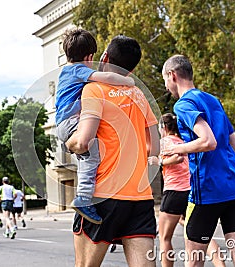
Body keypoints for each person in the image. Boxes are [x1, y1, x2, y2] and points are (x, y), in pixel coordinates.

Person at [65, 35, 160, 267]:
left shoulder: (94, 90)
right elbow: (154, 146)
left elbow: (83, 142)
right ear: (132, 67)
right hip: (139, 196)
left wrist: (70, 143)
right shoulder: (139, 95)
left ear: (105, 57)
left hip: (102, 195)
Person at [161, 55, 235, 266]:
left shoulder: (183, 104)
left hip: (207, 190)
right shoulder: (213, 101)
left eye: (165, 81)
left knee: (194, 260)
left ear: (172, 75)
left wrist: (176, 148)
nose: (167, 87)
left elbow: (208, 141)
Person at [56, 28, 135, 225]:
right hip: (71, 123)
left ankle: (86, 194)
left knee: (87, 158)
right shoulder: (79, 70)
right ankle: (83, 198)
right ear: (90, 56)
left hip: (64, 124)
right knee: (92, 156)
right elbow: (106, 78)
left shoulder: (66, 71)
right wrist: (127, 81)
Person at [149, 113, 225, 267]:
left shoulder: (165, 142)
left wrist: (160, 161)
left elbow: (177, 158)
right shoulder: (183, 141)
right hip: (191, 191)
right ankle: (220, 265)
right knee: (203, 236)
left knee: (164, 237)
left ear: (163, 127)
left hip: (174, 192)